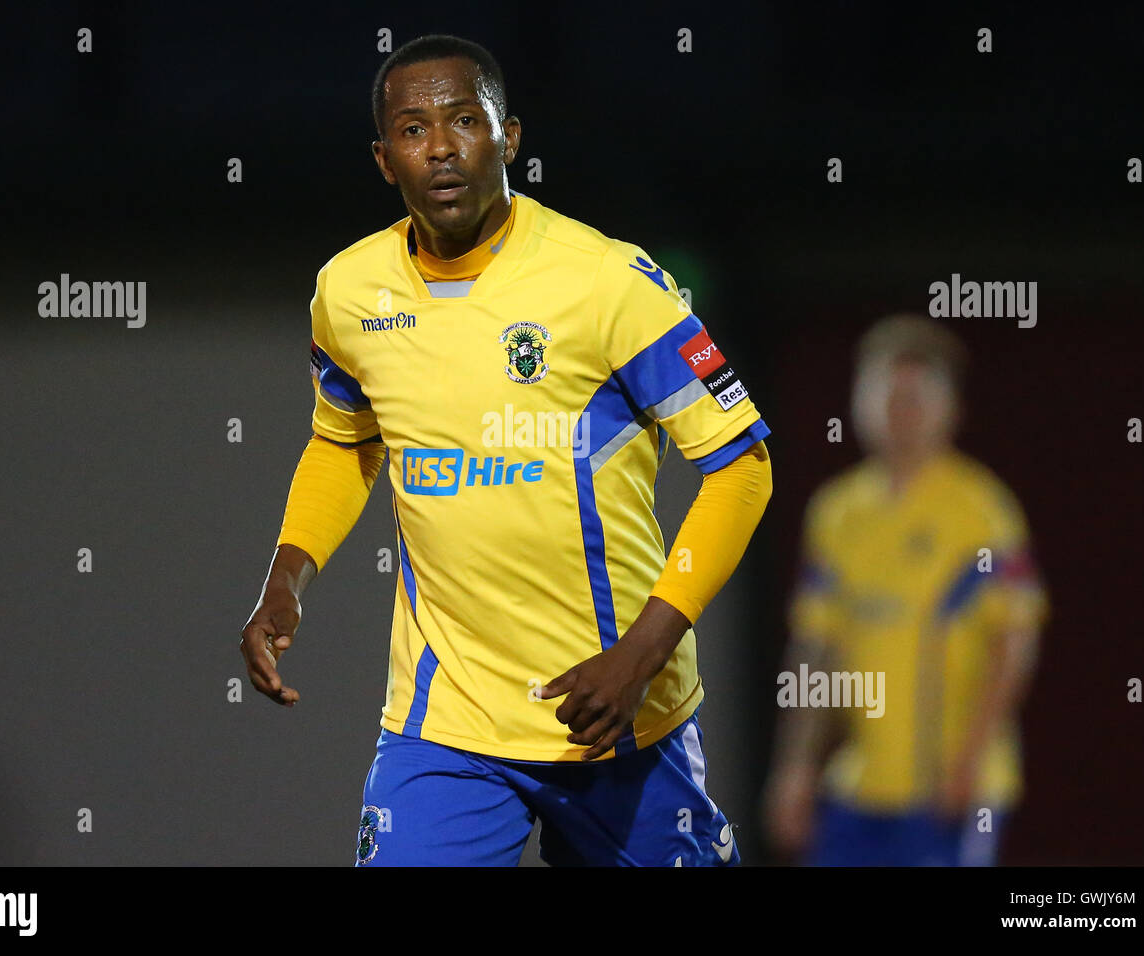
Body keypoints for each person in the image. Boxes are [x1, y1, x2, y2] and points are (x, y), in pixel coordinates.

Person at [239, 34, 773, 866]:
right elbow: (343, 443)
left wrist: (641, 654)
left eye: (465, 120)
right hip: (445, 726)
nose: (442, 147)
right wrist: (286, 579)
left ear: (509, 137)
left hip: (616, 709)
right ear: (385, 160)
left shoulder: (608, 282)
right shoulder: (348, 293)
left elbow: (742, 466)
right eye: (414, 130)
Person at [763, 314, 1047, 866]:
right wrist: (795, 768)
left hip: (950, 790)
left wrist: (968, 763)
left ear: (953, 409)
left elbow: (1014, 645)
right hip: (859, 787)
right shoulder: (836, 513)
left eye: (916, 397)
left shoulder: (984, 514)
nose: (900, 412)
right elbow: (816, 651)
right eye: (884, 394)